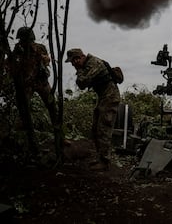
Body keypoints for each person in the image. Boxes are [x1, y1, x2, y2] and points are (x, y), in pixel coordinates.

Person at [8, 27, 61, 161]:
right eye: (25, 40)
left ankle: (60, 136)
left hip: (41, 81)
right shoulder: (18, 49)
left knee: (52, 107)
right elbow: (13, 66)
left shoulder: (40, 47)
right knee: (23, 109)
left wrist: (42, 57)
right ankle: (22, 137)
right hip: (27, 83)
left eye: (28, 40)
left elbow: (48, 60)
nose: (27, 42)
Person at [66, 48, 121, 171]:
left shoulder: (94, 63)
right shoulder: (88, 65)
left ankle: (105, 161)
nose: (74, 64)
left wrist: (79, 71)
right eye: (72, 63)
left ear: (81, 57)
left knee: (103, 128)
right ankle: (100, 157)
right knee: (95, 128)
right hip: (103, 97)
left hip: (110, 98)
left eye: (74, 61)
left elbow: (82, 83)